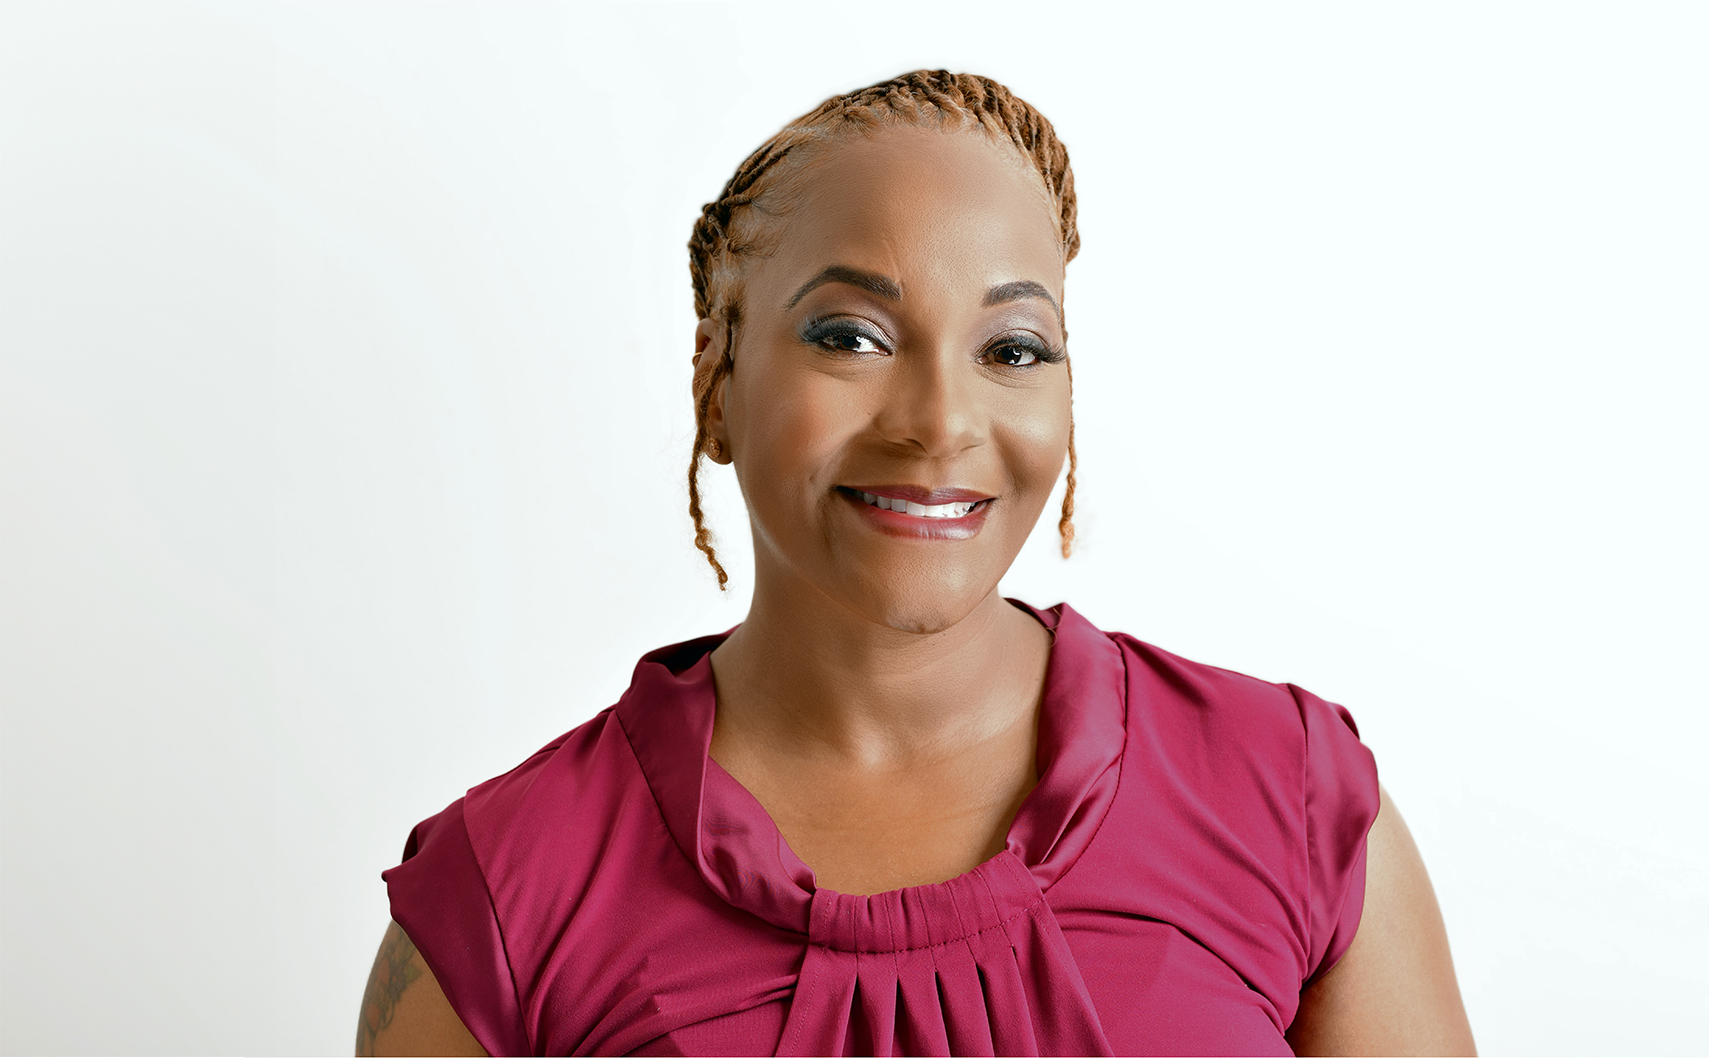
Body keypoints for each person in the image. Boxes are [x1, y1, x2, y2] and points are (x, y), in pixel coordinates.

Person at [357, 70, 1475, 1057]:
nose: (938, 422)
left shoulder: (1294, 801)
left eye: (1011, 349)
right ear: (716, 376)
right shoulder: (499, 905)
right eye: (851, 336)